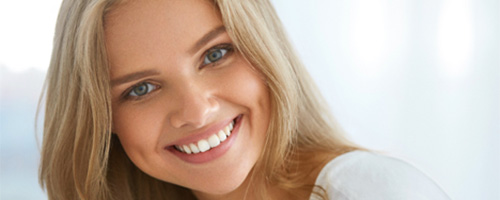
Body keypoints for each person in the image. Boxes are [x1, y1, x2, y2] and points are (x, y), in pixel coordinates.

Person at [38, 0, 451, 199]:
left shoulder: (372, 192)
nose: (196, 111)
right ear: (101, 118)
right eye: (141, 89)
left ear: (264, 48)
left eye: (215, 54)